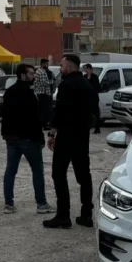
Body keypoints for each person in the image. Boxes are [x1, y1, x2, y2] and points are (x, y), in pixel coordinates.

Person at [44, 54, 98, 229]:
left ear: (69, 67)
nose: (60, 68)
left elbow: (60, 111)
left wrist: (52, 133)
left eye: (62, 65)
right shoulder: (87, 86)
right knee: (84, 176)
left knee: (59, 174)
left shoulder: (66, 85)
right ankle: (86, 214)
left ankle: (63, 215)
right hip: (82, 138)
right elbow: (92, 111)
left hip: (66, 137)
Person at [2, 64, 55, 215]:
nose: (34, 76)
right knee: (37, 170)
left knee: (10, 170)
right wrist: (40, 139)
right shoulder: (30, 94)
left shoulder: (10, 92)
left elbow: (4, 116)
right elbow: (34, 120)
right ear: (22, 75)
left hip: (12, 138)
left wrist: (5, 134)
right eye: (31, 74)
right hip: (28, 139)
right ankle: (41, 204)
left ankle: (8, 204)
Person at [34, 58, 55, 130]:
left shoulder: (39, 71)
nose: (47, 65)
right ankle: (44, 125)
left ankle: (43, 124)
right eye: (46, 64)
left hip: (41, 93)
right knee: (44, 110)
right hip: (43, 93)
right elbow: (44, 83)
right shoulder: (42, 72)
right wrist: (51, 81)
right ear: (43, 64)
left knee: (42, 110)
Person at [83, 64, 103, 134]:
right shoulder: (84, 77)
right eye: (85, 69)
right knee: (87, 113)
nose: (86, 70)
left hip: (94, 98)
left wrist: (89, 80)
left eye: (87, 69)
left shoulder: (95, 77)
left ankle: (97, 128)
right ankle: (88, 126)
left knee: (96, 113)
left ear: (91, 69)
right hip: (87, 99)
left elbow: (95, 87)